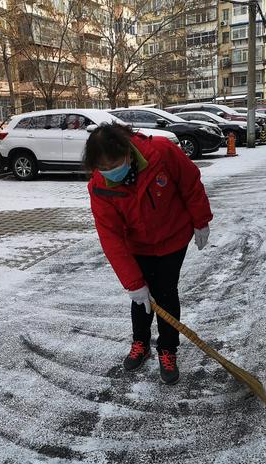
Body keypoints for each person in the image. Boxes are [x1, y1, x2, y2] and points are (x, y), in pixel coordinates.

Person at [83, 122, 213, 385]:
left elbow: (190, 183)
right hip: (138, 246)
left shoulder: (161, 152)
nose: (110, 172)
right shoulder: (100, 187)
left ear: (128, 152)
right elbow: (111, 237)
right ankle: (140, 343)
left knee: (165, 293)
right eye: (103, 168)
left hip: (173, 238)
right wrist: (133, 283)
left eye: (114, 164)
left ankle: (167, 350)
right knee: (142, 297)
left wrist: (201, 220)